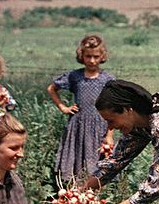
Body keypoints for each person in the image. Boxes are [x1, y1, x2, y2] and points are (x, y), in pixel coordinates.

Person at [47, 33, 115, 181]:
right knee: (77, 159)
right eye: (88, 56)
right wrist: (63, 107)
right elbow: (52, 88)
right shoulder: (75, 76)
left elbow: (114, 108)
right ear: (81, 55)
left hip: (100, 125)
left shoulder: (108, 79)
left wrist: (109, 135)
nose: (92, 60)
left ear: (102, 56)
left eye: (96, 56)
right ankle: (75, 189)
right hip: (78, 124)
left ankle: (95, 190)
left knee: (98, 162)